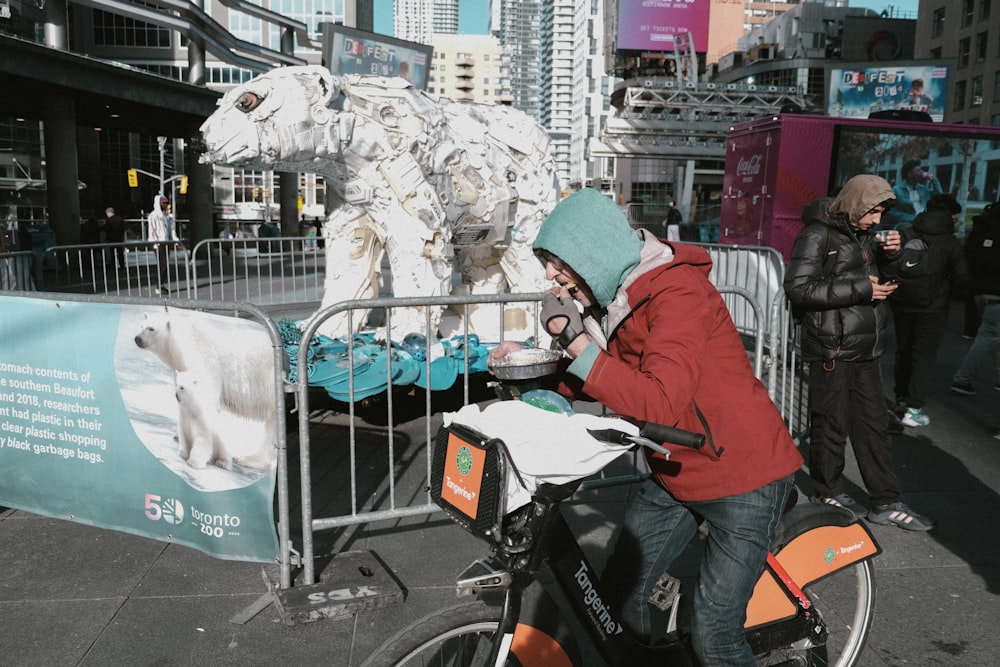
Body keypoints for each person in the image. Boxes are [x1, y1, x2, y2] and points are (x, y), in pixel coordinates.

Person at [488, 188, 803, 665]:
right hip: (677, 465)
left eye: (555, 261)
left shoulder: (678, 293)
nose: (549, 274)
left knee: (715, 633)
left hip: (743, 475)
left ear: (590, 251)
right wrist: (529, 372)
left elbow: (656, 400)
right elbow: (609, 380)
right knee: (622, 595)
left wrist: (575, 343)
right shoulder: (615, 297)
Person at [784, 174, 934, 532]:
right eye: (873, 211)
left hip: (866, 347)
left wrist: (894, 257)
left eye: (881, 213)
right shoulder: (817, 234)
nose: (877, 220)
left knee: (873, 428)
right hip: (831, 348)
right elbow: (798, 288)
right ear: (855, 204)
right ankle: (827, 492)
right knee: (830, 424)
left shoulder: (867, 235)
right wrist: (862, 288)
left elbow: (885, 278)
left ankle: (886, 500)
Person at [886, 194, 970, 427]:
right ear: (949, 215)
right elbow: (962, 276)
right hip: (934, 307)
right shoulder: (950, 241)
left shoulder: (908, 231)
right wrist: (954, 294)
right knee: (922, 355)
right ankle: (914, 407)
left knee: (903, 352)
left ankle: (900, 399)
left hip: (902, 302)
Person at [950, 201, 1000, 398]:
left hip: (980, 290)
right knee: (988, 337)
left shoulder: (982, 226)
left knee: (992, 335)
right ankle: (962, 378)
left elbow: (969, 255)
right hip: (996, 292)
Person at [886, 160, 943, 228]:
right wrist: (912, 218)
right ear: (909, 174)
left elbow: (939, 196)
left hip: (923, 221)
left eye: (921, 170)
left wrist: (933, 180)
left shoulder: (923, 189)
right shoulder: (897, 190)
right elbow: (890, 212)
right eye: (918, 171)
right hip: (906, 223)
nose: (922, 173)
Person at [147, 194, 179, 294]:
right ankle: (158, 285)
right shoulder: (153, 215)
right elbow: (152, 230)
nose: (165, 205)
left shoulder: (167, 216)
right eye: (163, 203)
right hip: (158, 243)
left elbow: (171, 230)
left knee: (164, 264)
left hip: (165, 242)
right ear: (159, 203)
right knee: (162, 264)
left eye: (166, 203)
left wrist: (176, 240)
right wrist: (156, 242)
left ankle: (160, 284)